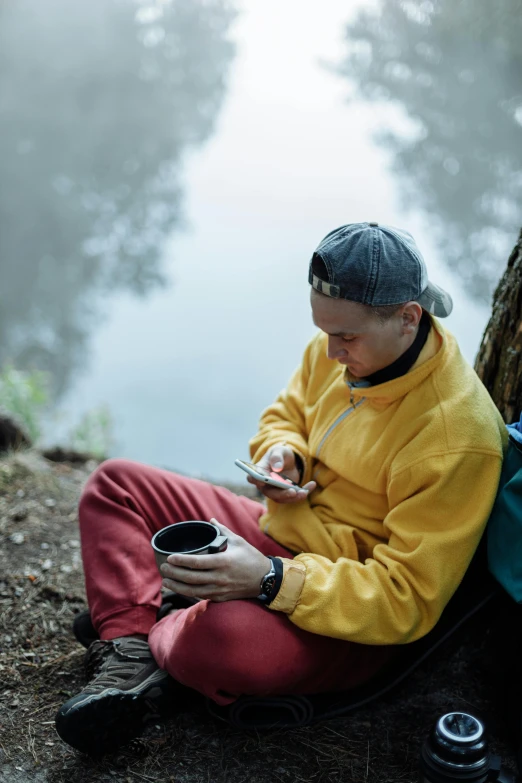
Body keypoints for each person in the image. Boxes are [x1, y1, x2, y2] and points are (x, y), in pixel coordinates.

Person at [55, 222, 507, 754]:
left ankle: (153, 617)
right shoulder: (344, 343)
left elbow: (404, 600)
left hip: (348, 616)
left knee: (222, 641)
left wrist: (270, 581)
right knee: (115, 484)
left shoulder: (456, 438)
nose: (332, 352)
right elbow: (287, 412)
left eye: (346, 337)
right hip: (279, 533)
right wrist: (283, 451)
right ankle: (133, 650)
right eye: (324, 331)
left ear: (408, 318)